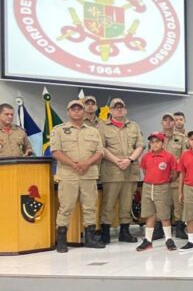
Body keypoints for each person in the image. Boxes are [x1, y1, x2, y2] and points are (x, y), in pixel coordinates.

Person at [51, 99, 105, 253]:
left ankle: (90, 238)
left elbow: (100, 151)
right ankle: (61, 240)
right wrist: (74, 164)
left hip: (88, 174)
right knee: (66, 207)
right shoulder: (58, 130)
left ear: (84, 112)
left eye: (79, 109)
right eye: (73, 109)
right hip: (68, 175)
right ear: (68, 112)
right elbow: (56, 152)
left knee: (90, 207)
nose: (77, 111)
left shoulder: (93, 131)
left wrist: (86, 163)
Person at [98, 98, 143, 244]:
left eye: (121, 107)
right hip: (112, 170)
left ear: (125, 110)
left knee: (127, 203)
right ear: (110, 110)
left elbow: (140, 146)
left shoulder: (133, 126)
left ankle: (125, 231)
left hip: (130, 170)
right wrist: (117, 161)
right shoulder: (102, 126)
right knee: (108, 203)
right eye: (115, 108)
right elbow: (101, 148)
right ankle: (105, 232)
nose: (119, 110)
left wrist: (129, 160)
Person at [136, 132, 177, 252]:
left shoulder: (169, 157)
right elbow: (144, 169)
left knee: (164, 215)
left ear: (162, 143)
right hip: (148, 187)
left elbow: (174, 173)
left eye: (157, 141)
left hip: (162, 187)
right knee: (150, 214)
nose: (155, 144)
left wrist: (165, 181)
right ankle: (148, 240)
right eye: (152, 142)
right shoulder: (146, 156)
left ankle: (168, 239)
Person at [161, 112, 188, 239]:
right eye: (165, 120)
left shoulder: (182, 138)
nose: (168, 122)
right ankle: (159, 230)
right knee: (162, 204)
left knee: (178, 204)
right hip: (160, 178)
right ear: (162, 123)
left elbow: (183, 157)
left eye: (170, 120)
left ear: (174, 123)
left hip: (176, 177)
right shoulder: (156, 138)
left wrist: (175, 172)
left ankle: (180, 228)